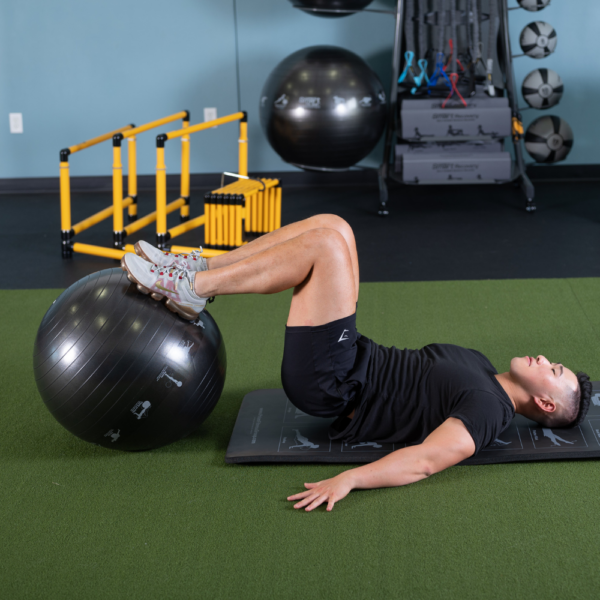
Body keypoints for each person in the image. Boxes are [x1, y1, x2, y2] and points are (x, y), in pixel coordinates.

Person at [121, 214, 592, 512]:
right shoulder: (483, 368)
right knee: (335, 228)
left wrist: (350, 479)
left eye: (552, 370)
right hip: (349, 355)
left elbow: (426, 461)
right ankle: (196, 269)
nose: (545, 359)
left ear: (545, 405)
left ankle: (192, 290)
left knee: (325, 246)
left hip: (333, 383)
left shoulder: (490, 411)